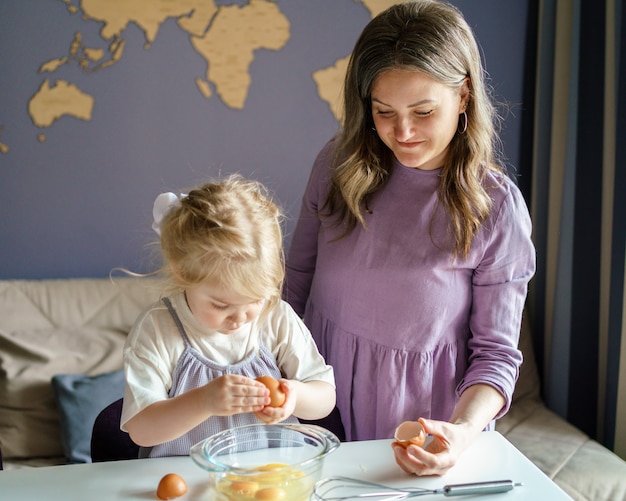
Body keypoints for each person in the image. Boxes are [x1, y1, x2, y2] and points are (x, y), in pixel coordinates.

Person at [283, 0, 536, 476]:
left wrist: (461, 432)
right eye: (384, 112)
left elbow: (497, 356)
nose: (403, 132)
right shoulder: (337, 165)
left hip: (425, 428)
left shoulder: (495, 206)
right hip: (317, 410)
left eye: (423, 111)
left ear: (463, 96)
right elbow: (294, 286)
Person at [120, 175, 336, 458]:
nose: (241, 318)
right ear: (182, 273)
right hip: (187, 477)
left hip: (269, 475)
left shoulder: (275, 317)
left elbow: (325, 397)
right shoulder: (159, 328)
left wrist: (294, 396)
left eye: (255, 300)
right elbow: (141, 429)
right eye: (221, 305)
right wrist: (203, 402)